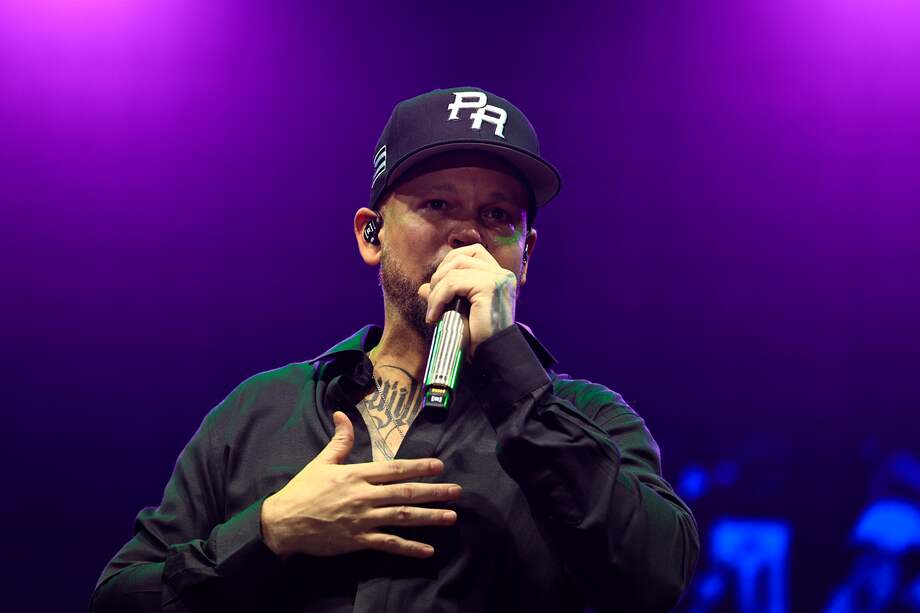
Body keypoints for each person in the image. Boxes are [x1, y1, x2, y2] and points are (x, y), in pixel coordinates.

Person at [91, 87, 700, 612]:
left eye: (497, 215)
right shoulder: (259, 412)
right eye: (438, 204)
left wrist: (511, 371)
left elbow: (653, 582)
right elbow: (120, 598)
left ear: (526, 255)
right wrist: (270, 531)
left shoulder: (588, 420)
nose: (468, 233)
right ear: (370, 235)